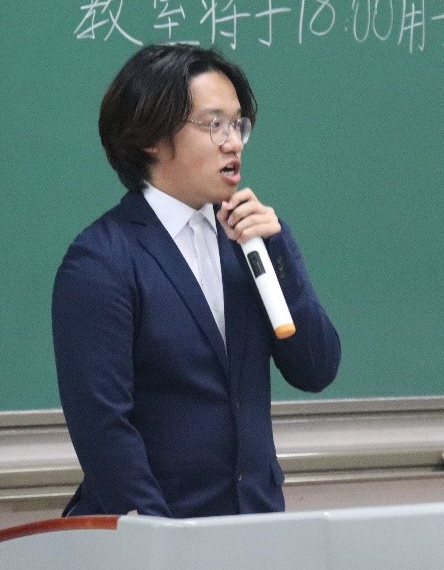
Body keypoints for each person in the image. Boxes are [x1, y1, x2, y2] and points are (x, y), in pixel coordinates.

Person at [52, 43, 341, 519]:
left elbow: (316, 368)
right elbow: (104, 428)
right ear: (151, 136)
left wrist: (279, 249)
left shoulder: (251, 239)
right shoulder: (101, 261)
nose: (234, 142)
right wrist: (166, 547)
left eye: (238, 125)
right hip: (160, 533)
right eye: (214, 125)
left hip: (256, 527)